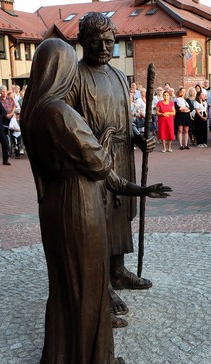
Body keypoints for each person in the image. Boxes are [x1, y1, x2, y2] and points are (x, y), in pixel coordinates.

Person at [21, 38, 170, 364]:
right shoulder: (61, 113)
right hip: (80, 201)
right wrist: (104, 146)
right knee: (88, 284)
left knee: (65, 287)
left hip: (57, 201)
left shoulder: (33, 111)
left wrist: (135, 177)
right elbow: (99, 162)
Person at [68, 12, 158, 316]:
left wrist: (137, 137)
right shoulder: (74, 77)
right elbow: (69, 124)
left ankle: (118, 272)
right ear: (83, 42)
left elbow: (125, 119)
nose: (106, 48)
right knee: (99, 222)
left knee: (120, 217)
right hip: (93, 160)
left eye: (111, 42)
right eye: (98, 42)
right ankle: (102, 283)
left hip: (122, 158)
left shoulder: (119, 76)